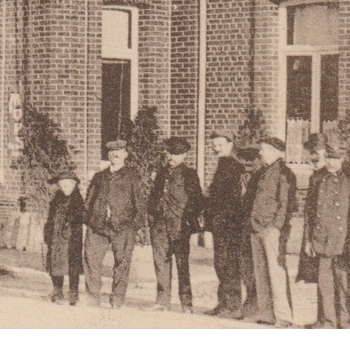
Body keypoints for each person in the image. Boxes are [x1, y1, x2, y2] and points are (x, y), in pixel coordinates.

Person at [302, 140, 350, 329]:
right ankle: (328, 323)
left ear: (343, 159)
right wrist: (309, 240)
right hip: (322, 240)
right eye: (329, 158)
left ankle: (347, 326)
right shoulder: (318, 179)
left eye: (336, 159)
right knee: (325, 285)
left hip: (343, 243)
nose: (331, 163)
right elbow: (310, 213)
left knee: (345, 287)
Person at [83, 140, 146, 309]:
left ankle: (117, 299)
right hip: (98, 227)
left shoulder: (133, 176)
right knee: (92, 261)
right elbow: (89, 201)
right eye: (111, 152)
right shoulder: (99, 176)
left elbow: (140, 204)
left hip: (123, 227)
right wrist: (89, 221)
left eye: (119, 151)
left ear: (126, 154)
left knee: (122, 263)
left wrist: (136, 226)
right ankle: (92, 297)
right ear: (108, 155)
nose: (115, 154)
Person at [148, 137, 203, 313]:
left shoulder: (190, 174)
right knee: (160, 262)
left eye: (176, 153)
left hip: (179, 224)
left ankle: (186, 303)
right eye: (169, 152)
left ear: (184, 155)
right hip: (159, 224)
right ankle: (162, 301)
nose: (171, 157)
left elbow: (197, 200)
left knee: (181, 263)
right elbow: (153, 195)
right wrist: (151, 217)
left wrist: (188, 219)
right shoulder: (161, 172)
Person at [245, 137, 296, 327]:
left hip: (271, 229)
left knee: (276, 273)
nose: (260, 153)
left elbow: (285, 203)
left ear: (276, 152)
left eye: (264, 149)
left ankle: (283, 316)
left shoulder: (284, 173)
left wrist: (276, 227)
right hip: (257, 227)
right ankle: (266, 314)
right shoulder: (263, 172)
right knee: (261, 273)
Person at [203, 133, 254, 318]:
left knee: (230, 264)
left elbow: (235, 198)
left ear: (230, 144)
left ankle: (233, 305)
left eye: (220, 144)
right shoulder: (223, 164)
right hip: (220, 224)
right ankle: (224, 303)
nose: (216, 148)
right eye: (214, 144)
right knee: (221, 264)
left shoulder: (234, 166)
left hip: (231, 224)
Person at [44, 171, 85, 304]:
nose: (63, 189)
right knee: (56, 262)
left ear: (74, 185)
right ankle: (58, 290)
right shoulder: (57, 199)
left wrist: (70, 220)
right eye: (61, 186)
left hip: (71, 236)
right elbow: (50, 217)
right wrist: (48, 232)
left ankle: (73, 293)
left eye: (66, 186)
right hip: (56, 237)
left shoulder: (77, 200)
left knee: (72, 264)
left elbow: (81, 215)